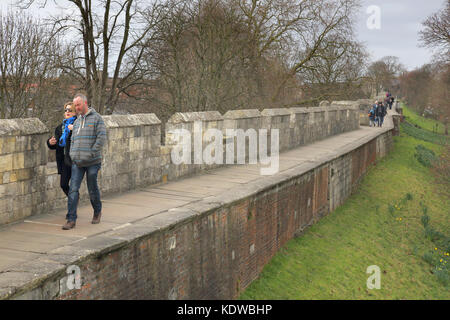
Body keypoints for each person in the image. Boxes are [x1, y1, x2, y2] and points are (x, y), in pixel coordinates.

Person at [62, 93, 107, 230]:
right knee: (73, 190)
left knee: (92, 188)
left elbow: (101, 138)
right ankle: (71, 219)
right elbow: (73, 140)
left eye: (78, 105)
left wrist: (92, 153)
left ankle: (97, 211)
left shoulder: (97, 118)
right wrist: (72, 154)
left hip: (93, 162)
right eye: (75, 105)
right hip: (78, 162)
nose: (76, 108)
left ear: (85, 103)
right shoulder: (76, 121)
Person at [46, 102, 77, 196]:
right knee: (63, 184)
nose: (67, 112)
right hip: (64, 160)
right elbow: (56, 143)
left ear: (75, 112)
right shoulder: (60, 128)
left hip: (75, 159)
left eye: (70, 110)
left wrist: (74, 129)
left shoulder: (78, 125)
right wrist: (50, 142)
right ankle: (75, 199)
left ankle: (72, 206)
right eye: (66, 110)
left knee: (75, 185)